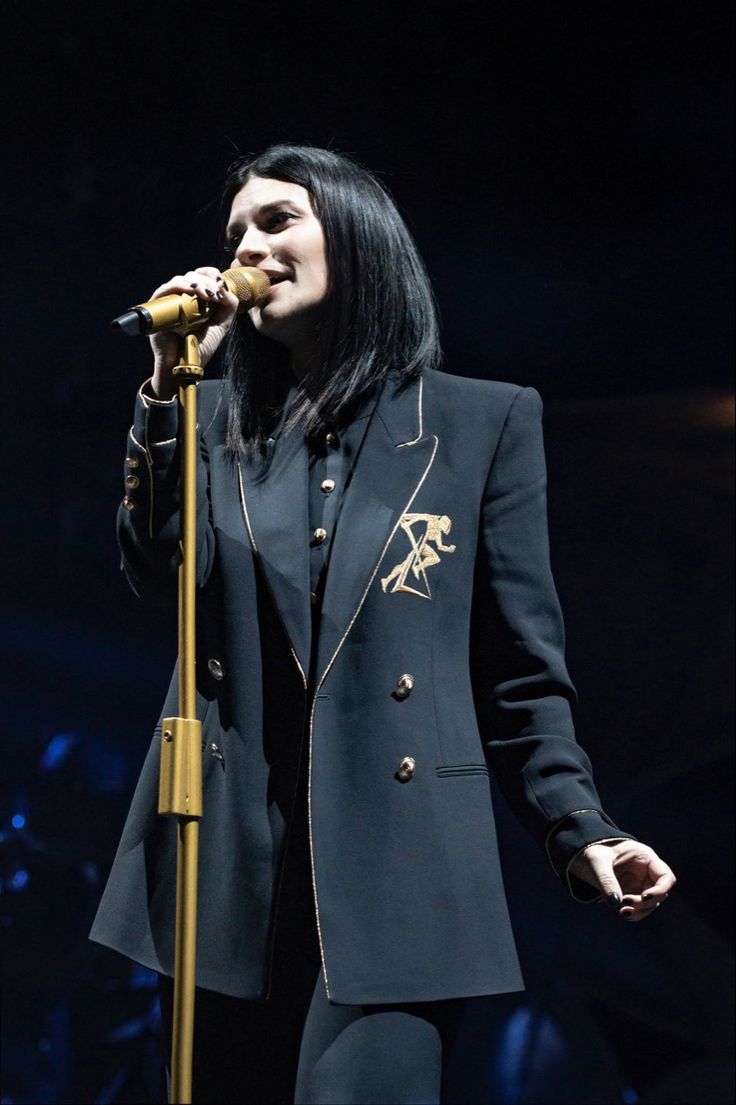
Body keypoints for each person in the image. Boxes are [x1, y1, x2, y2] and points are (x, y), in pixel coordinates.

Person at [90, 144, 676, 1104]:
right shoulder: (211, 419)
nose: (247, 246)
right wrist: (165, 385)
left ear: (357, 238)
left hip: (402, 873)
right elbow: (158, 576)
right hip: (228, 867)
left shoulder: (481, 424)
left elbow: (522, 671)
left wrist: (582, 830)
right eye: (235, 231)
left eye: (279, 220)